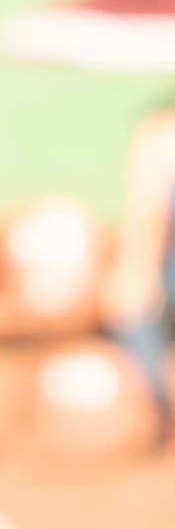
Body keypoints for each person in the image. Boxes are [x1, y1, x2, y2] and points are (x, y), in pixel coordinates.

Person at [104, 106, 175, 447]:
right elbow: (148, 214)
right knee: (133, 306)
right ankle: (160, 415)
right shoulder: (162, 135)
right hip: (164, 267)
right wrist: (139, 271)